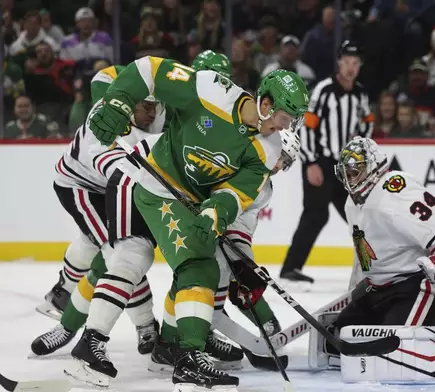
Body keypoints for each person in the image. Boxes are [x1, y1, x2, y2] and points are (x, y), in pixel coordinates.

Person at [74, 54, 309, 390]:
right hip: (152, 184)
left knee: (200, 267)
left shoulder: (267, 148)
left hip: (185, 201)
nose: (283, 129)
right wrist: (119, 98)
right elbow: (149, 70)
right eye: (284, 119)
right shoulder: (211, 90)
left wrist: (216, 211)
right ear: (266, 103)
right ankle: (109, 344)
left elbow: (235, 192)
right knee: (139, 260)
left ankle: (175, 348)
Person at [31, 52, 236, 366]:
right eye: (145, 105)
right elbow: (117, 163)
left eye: (154, 106)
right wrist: (115, 98)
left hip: (131, 185)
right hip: (85, 185)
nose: (151, 113)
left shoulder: (169, 103)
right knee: (117, 256)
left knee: (123, 255)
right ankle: (97, 327)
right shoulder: (107, 118)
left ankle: (161, 332)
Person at [149, 130, 302, 373]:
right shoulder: (238, 160)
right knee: (202, 276)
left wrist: (245, 263)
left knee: (200, 279)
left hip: (212, 229)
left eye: (286, 161)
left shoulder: (264, 187)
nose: (281, 165)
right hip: (184, 216)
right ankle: (181, 340)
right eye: (282, 156)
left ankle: (172, 342)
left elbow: (241, 224)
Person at [328, 136, 435, 345]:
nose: (351, 180)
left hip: (417, 287)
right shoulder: (352, 204)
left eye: (356, 172)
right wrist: (355, 291)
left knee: (391, 348)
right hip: (379, 290)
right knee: (338, 342)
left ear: (374, 166)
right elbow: (363, 254)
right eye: (347, 174)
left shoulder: (394, 193)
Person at [281, 40, 373, 286]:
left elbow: (367, 122)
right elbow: (307, 126)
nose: (351, 68)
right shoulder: (324, 89)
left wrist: (360, 146)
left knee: (360, 217)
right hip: (320, 161)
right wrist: (310, 162)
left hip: (345, 167)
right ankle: (290, 269)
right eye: (347, 63)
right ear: (339, 63)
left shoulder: (361, 93)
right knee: (316, 214)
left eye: (355, 63)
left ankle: (371, 267)